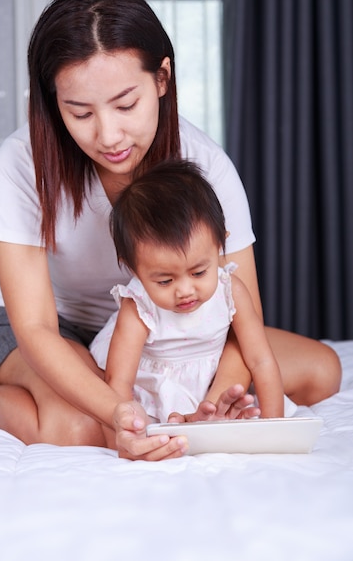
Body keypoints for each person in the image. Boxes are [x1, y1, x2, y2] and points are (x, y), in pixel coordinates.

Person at [0, 0, 341, 460]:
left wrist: (213, 405)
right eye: (79, 113)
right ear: (53, 101)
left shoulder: (205, 165)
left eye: (125, 105)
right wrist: (119, 413)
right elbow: (35, 327)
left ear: (162, 78)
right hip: (54, 328)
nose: (108, 135)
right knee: (80, 427)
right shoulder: (21, 163)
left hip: (169, 326)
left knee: (322, 370)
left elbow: (242, 313)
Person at [90, 159, 286, 424]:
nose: (184, 291)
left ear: (219, 246)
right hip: (149, 386)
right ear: (134, 270)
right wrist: (130, 429)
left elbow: (261, 360)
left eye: (198, 273)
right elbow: (119, 381)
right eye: (164, 281)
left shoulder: (231, 291)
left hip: (208, 379)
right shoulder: (138, 307)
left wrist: (275, 424)